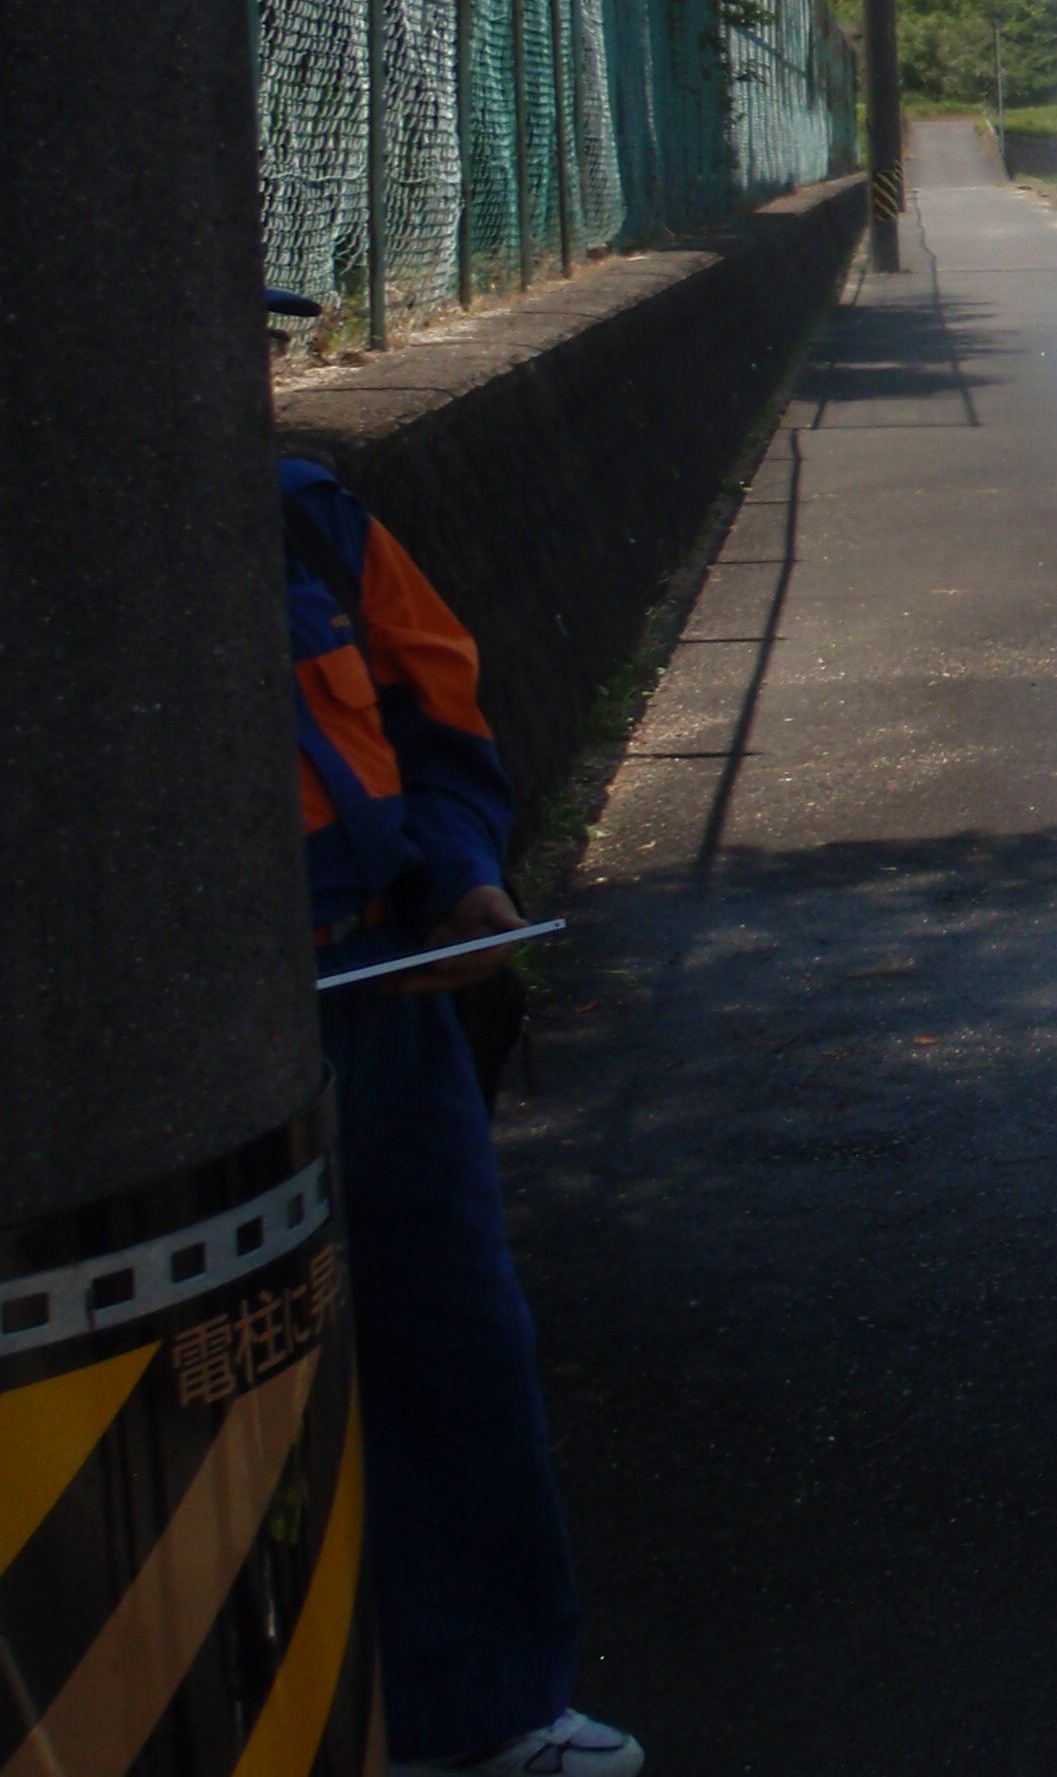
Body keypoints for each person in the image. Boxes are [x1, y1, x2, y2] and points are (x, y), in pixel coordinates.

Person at [275, 292, 644, 1777]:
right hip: (186, 1063)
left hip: (378, 1004)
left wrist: (465, 874)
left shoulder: (307, 520)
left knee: (453, 1351)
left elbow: (439, 719)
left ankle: (485, 1712)